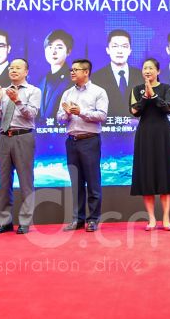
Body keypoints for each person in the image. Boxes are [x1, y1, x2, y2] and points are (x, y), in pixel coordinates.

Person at [0, 58, 41, 235]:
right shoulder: (2, 91)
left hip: (23, 137)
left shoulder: (34, 91)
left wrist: (17, 100)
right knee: (4, 182)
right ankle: (5, 222)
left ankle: (25, 222)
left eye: (18, 68)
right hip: (4, 137)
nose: (13, 70)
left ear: (26, 71)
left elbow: (32, 114)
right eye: (11, 68)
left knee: (26, 182)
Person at [130, 58, 170, 231]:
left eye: (151, 68)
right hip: (145, 134)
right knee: (147, 175)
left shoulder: (166, 88)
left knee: (164, 174)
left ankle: (166, 217)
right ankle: (151, 218)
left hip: (163, 134)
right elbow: (134, 111)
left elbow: (167, 108)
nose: (147, 71)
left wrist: (153, 95)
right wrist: (145, 97)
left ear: (158, 71)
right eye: (145, 68)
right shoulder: (137, 89)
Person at [57, 59, 108, 232]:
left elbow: (102, 116)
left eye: (76, 70)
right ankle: (78, 219)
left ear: (86, 72)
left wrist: (81, 112)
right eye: (71, 70)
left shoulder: (98, 92)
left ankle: (93, 219)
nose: (72, 72)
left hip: (90, 140)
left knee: (93, 182)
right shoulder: (67, 93)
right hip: (72, 141)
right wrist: (66, 114)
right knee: (76, 183)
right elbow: (59, 118)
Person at [92, 29, 140, 118]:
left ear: (130, 51)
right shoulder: (96, 78)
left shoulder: (141, 76)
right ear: (108, 50)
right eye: (115, 46)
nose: (120, 51)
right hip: (108, 125)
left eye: (124, 46)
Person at [37, 29, 73, 124]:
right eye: (50, 47)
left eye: (59, 47)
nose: (53, 52)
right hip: (42, 131)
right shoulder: (41, 80)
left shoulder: (73, 79)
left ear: (68, 51)